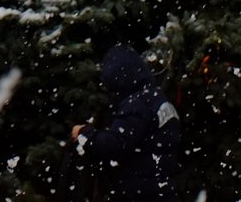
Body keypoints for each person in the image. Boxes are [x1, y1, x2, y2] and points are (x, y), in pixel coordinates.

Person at [68, 45, 182, 202]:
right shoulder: (159, 100)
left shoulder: (138, 103)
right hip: (163, 192)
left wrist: (84, 134)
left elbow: (116, 144)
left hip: (141, 194)